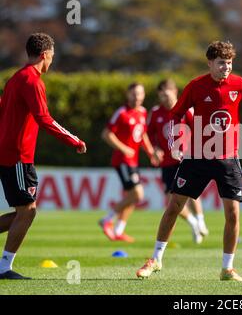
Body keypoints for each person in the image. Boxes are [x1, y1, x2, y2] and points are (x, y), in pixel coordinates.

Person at [136, 41, 242, 281]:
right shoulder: (196, 86)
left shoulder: (241, 85)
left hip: (227, 159)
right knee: (174, 206)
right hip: (198, 156)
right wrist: (174, 144)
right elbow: (176, 114)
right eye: (221, 63)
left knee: (233, 214)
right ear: (210, 63)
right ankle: (156, 259)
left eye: (230, 63)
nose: (226, 67)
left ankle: (227, 268)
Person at [0, 33, 87, 280]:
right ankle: (4, 267)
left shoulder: (16, 78)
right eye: (52, 56)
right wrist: (75, 140)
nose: (52, 61)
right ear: (45, 54)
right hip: (17, 156)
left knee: (24, 212)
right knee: (27, 212)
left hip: (13, 155)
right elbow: (44, 118)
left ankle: (3, 266)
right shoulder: (32, 80)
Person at [147, 79, 209, 244]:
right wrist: (154, 148)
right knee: (171, 199)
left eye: (168, 95)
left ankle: (200, 220)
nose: (166, 99)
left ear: (175, 93)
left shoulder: (186, 109)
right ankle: (193, 222)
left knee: (192, 192)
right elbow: (149, 134)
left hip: (187, 158)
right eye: (162, 96)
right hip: (167, 161)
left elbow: (198, 129)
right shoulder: (155, 112)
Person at [99, 83, 158, 243]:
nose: (137, 97)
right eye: (134, 94)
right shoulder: (121, 113)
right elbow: (106, 134)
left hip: (133, 161)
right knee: (137, 195)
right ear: (128, 95)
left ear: (143, 95)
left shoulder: (143, 112)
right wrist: (124, 149)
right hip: (123, 160)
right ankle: (107, 219)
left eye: (139, 94)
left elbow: (142, 134)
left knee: (132, 197)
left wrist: (150, 152)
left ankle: (118, 230)